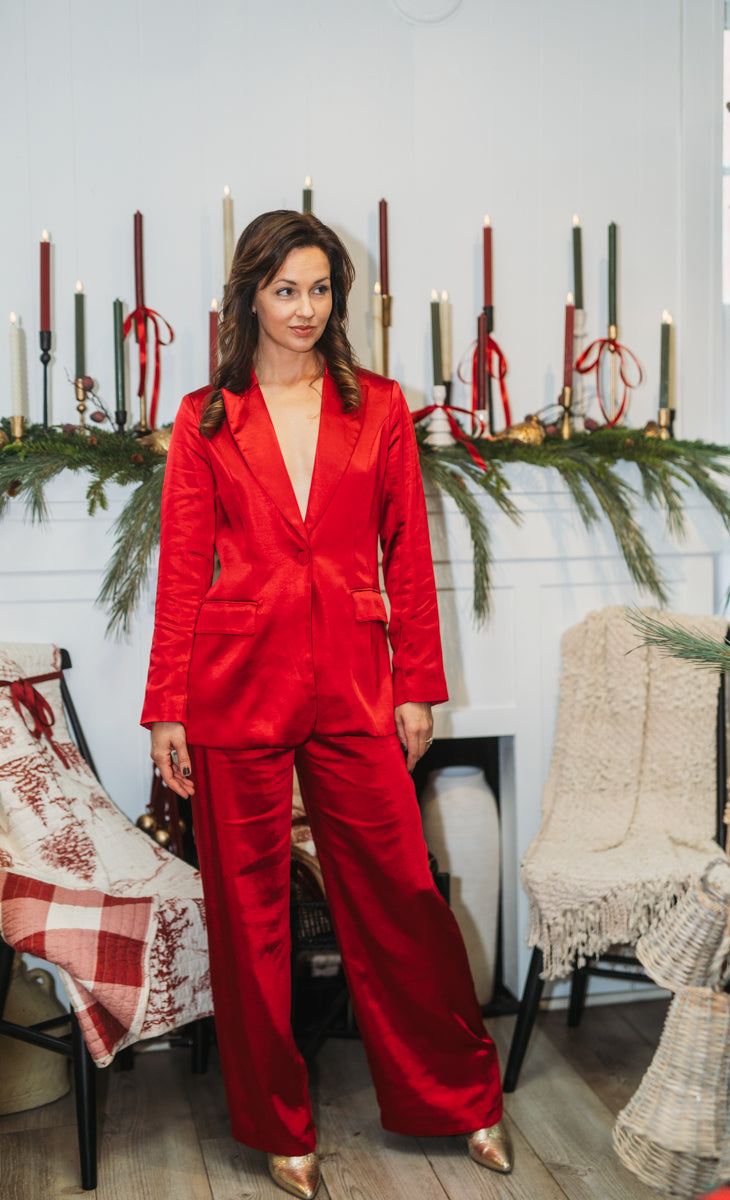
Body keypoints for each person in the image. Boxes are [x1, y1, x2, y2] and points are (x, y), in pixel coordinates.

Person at [141, 210, 511, 1199]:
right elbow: (182, 571)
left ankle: (459, 1097)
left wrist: (418, 686)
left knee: (401, 897)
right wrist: (165, 707)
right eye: (284, 290)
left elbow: (406, 558)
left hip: (356, 682)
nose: (303, 310)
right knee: (248, 915)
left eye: (318, 290)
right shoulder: (205, 417)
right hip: (233, 689)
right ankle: (278, 1124)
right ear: (249, 298)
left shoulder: (379, 407)